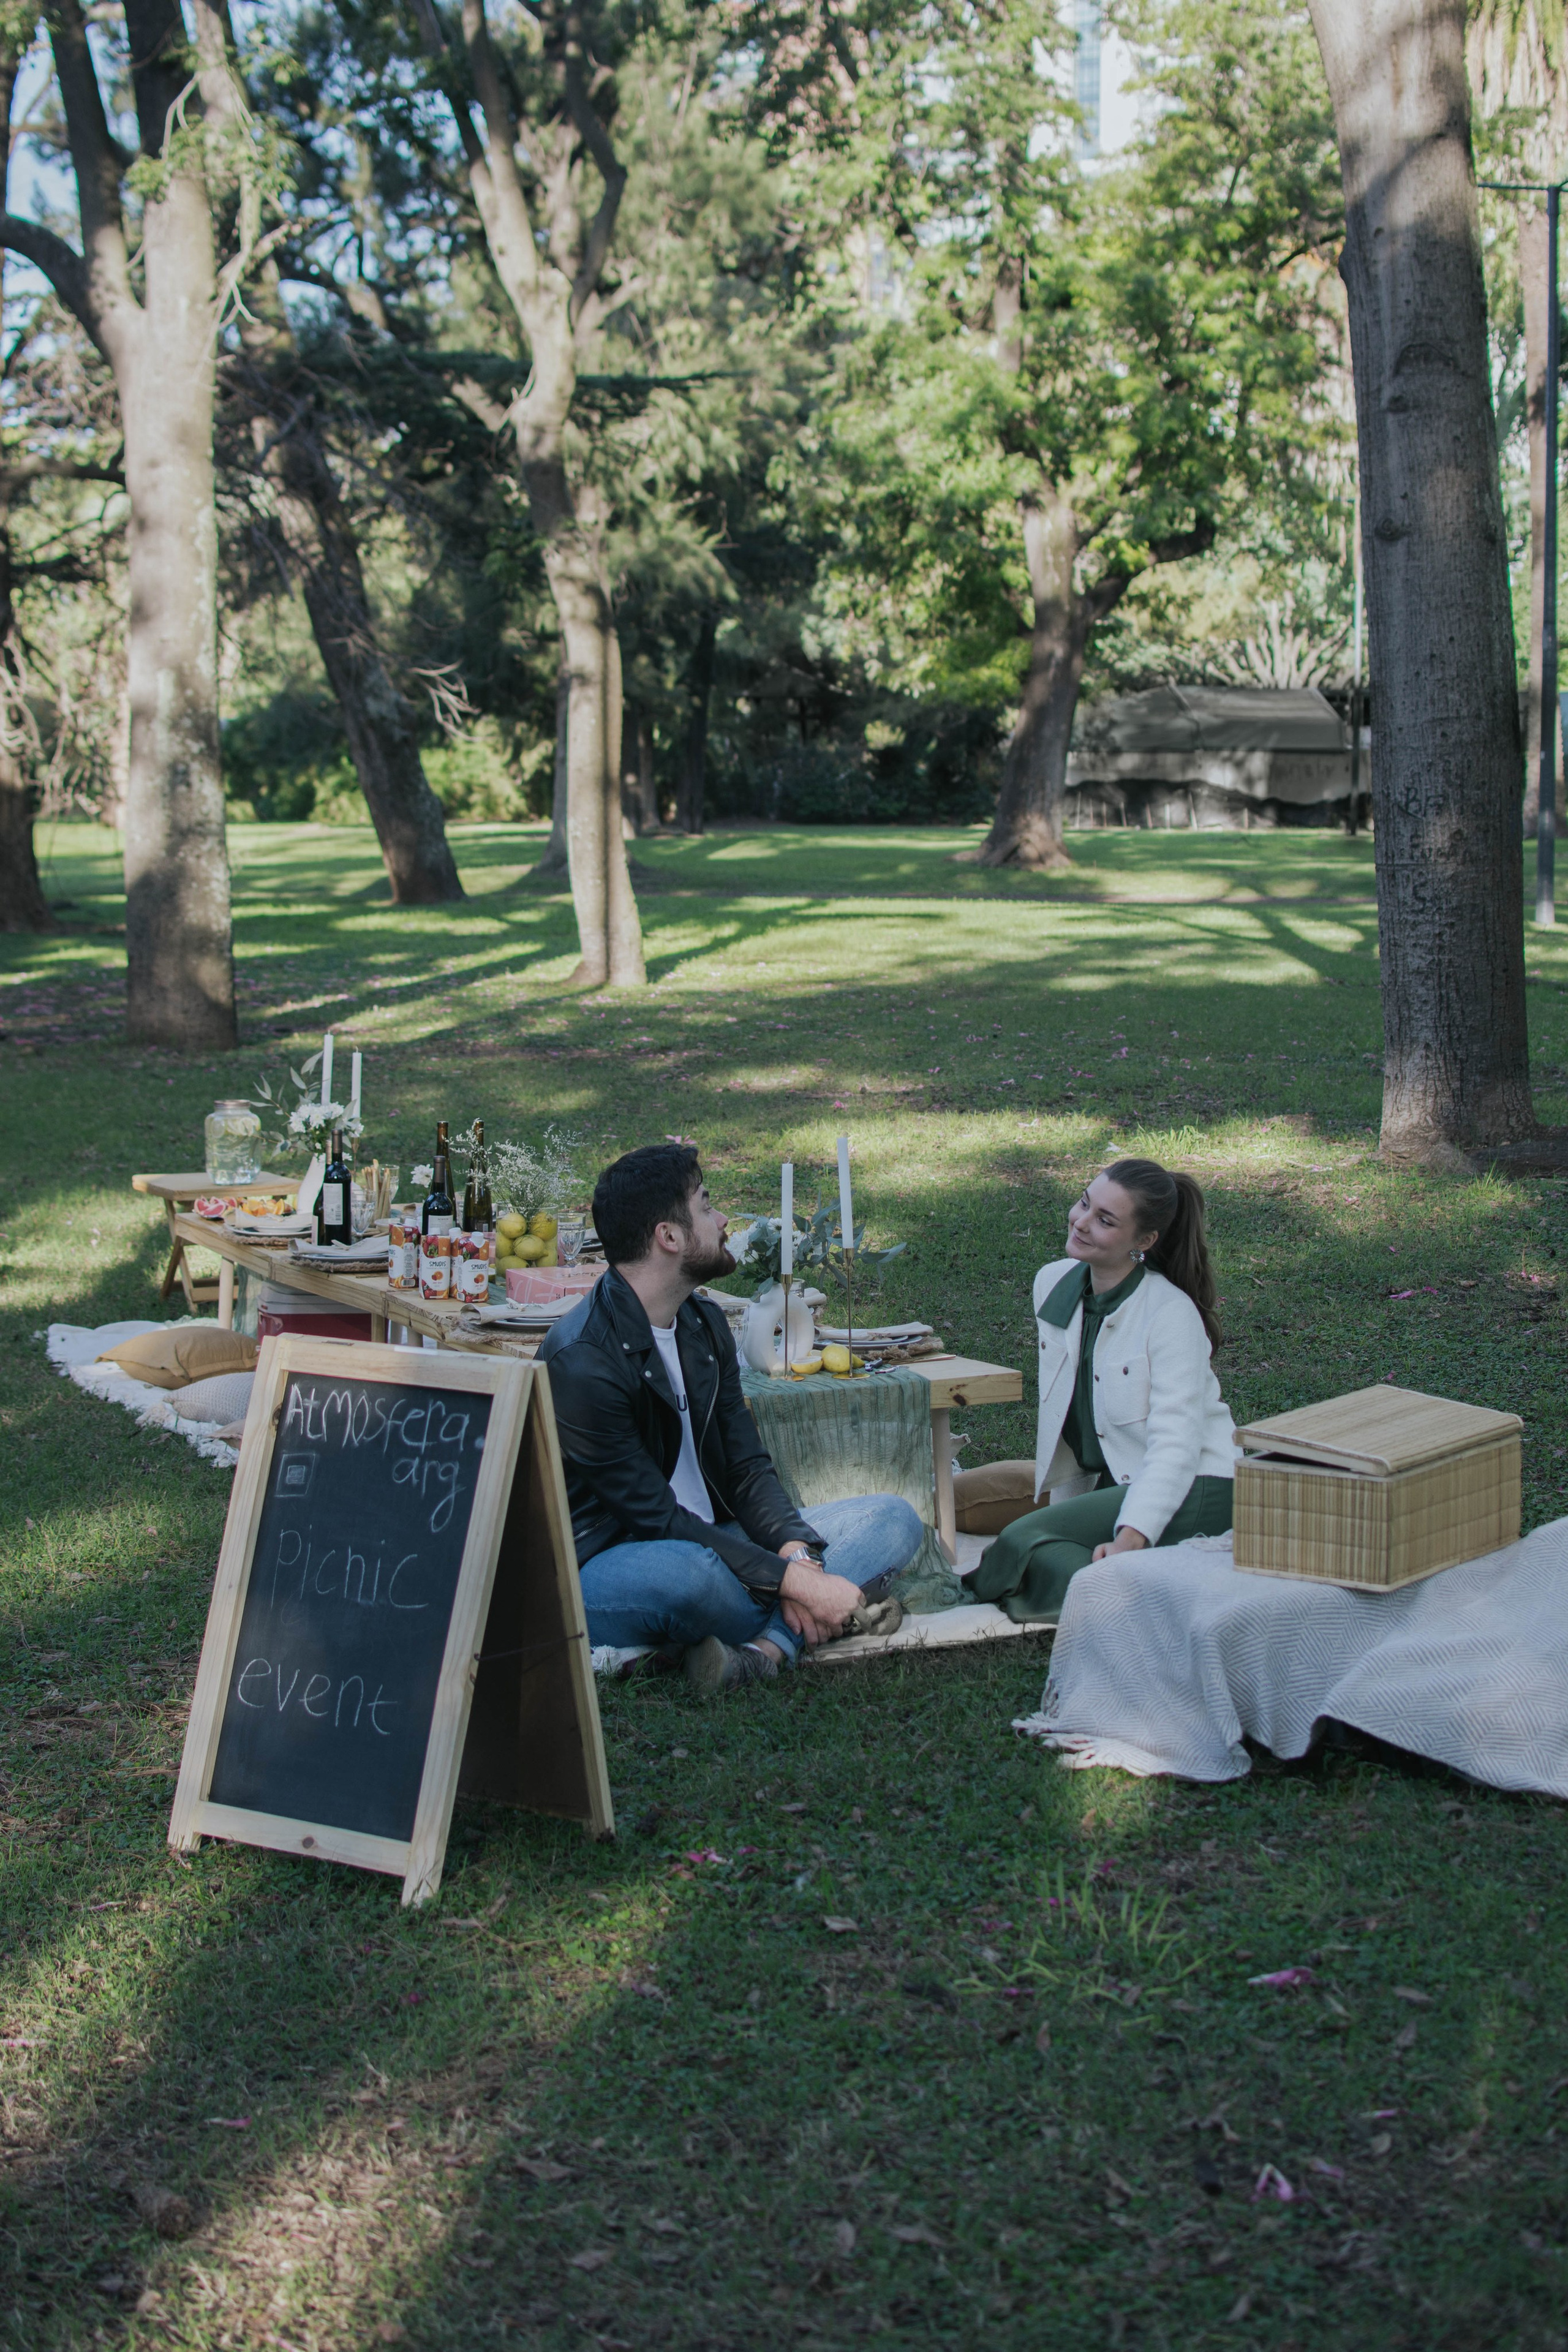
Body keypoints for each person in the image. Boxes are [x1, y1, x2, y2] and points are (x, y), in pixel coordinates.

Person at [538, 1142, 923, 1691]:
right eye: (705, 1206)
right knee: (692, 1579)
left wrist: (798, 1556)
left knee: (892, 1519)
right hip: (612, 1561)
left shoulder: (703, 1322)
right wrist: (796, 1584)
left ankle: (763, 1651)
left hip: (717, 1539)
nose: (722, 1221)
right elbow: (657, 1520)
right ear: (669, 1237)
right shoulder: (583, 1359)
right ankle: (818, 1614)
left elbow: (746, 1467)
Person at [966, 1157, 1235, 1623]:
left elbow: (1177, 1446)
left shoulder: (1170, 1313)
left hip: (1194, 1484)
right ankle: (1131, 1590)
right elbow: (1071, 1412)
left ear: (1144, 1241)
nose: (1082, 1222)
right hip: (1110, 1480)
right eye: (1085, 1203)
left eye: (1106, 1221)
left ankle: (1142, 1601)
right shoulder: (1052, 1282)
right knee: (1011, 1532)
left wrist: (1133, 1537)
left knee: (1018, 1541)